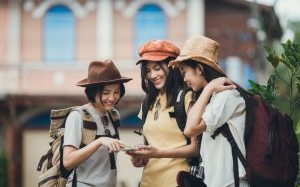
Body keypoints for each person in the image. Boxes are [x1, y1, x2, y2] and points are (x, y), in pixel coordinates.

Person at [169, 35, 249, 187]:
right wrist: (208, 91)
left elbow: (190, 129)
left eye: (184, 71)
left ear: (199, 69)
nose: (184, 78)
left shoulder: (227, 96)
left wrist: (209, 88)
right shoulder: (211, 99)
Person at [128, 39, 198, 187]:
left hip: (177, 181)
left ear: (172, 66)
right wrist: (141, 157)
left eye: (157, 68)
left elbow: (196, 148)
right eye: (147, 70)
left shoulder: (186, 97)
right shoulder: (148, 102)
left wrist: (157, 153)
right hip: (148, 182)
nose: (152, 75)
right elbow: (150, 146)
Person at [63, 60, 132, 187]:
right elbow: (68, 161)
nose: (112, 98)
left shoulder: (114, 115)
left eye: (116, 92)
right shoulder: (77, 116)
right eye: (106, 93)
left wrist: (132, 152)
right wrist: (99, 142)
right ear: (92, 92)